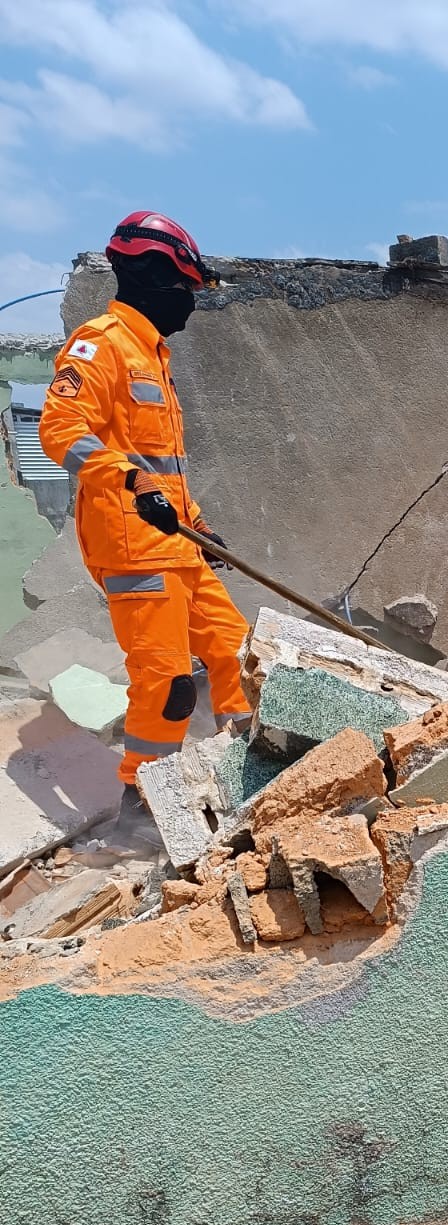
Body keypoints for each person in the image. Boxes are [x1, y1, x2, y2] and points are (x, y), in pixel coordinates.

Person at [39, 210, 251, 838]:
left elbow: (164, 469)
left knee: (238, 656)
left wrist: (200, 527)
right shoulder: (99, 343)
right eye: (187, 290)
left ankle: (249, 775)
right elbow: (60, 431)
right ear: (157, 277)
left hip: (175, 543)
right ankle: (142, 808)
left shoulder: (152, 355)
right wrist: (127, 481)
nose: (189, 305)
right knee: (167, 684)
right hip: (131, 545)